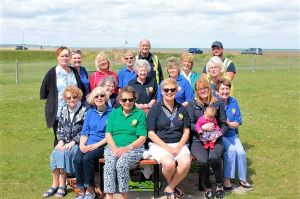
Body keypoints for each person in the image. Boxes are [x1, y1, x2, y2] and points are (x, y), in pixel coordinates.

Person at [147, 78, 191, 199]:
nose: (169, 92)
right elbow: (151, 133)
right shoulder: (155, 108)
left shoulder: (182, 108)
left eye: (172, 89)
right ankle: (174, 186)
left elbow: (186, 130)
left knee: (186, 163)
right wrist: (167, 148)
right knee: (169, 164)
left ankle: (170, 187)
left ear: (176, 91)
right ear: (162, 91)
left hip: (179, 144)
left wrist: (179, 146)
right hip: (160, 145)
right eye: (166, 90)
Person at [187, 77, 228, 199]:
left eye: (205, 88)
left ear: (209, 89)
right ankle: (207, 187)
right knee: (203, 161)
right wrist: (202, 128)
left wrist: (217, 135)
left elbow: (224, 124)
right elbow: (189, 123)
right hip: (197, 139)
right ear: (196, 91)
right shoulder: (192, 104)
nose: (203, 91)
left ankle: (220, 185)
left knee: (214, 157)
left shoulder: (217, 103)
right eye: (200, 89)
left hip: (215, 138)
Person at [42, 86, 86, 198]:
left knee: (65, 153)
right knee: (55, 152)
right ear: (65, 99)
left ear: (78, 97)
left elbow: (85, 130)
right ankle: (54, 184)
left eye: (74, 97)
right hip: (65, 141)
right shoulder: (63, 109)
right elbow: (60, 127)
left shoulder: (84, 111)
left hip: (78, 143)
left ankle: (62, 185)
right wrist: (60, 140)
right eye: (68, 98)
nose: (71, 99)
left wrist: (73, 142)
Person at [104, 86, 147, 199]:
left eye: (130, 99)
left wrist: (126, 149)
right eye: (124, 100)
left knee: (121, 163)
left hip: (134, 148)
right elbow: (108, 134)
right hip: (113, 147)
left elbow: (142, 137)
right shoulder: (114, 113)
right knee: (109, 163)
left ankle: (124, 196)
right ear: (119, 101)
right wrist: (114, 149)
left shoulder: (140, 114)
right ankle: (109, 196)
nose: (127, 102)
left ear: (134, 100)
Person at [40, 46, 84, 147]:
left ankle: (72, 161)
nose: (65, 58)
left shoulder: (73, 71)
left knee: (74, 138)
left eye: (67, 56)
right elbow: (44, 92)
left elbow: (80, 88)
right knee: (60, 138)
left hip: (75, 110)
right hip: (58, 111)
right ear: (57, 57)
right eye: (62, 56)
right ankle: (58, 161)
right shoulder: (52, 72)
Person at [73, 87, 112, 199]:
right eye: (96, 96)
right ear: (92, 99)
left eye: (102, 95)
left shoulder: (112, 113)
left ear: (106, 97)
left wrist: (96, 145)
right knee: (77, 159)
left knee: (87, 158)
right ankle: (81, 190)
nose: (99, 98)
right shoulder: (90, 112)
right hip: (88, 143)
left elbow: (110, 134)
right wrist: (82, 145)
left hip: (103, 144)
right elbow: (85, 132)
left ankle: (90, 190)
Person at [215, 78, 253, 191]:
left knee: (241, 152)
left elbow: (238, 121)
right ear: (217, 91)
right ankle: (227, 179)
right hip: (221, 135)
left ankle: (243, 179)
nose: (225, 91)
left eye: (227, 88)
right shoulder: (214, 103)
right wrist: (226, 125)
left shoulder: (234, 101)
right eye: (222, 89)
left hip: (232, 134)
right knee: (231, 150)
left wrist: (229, 124)